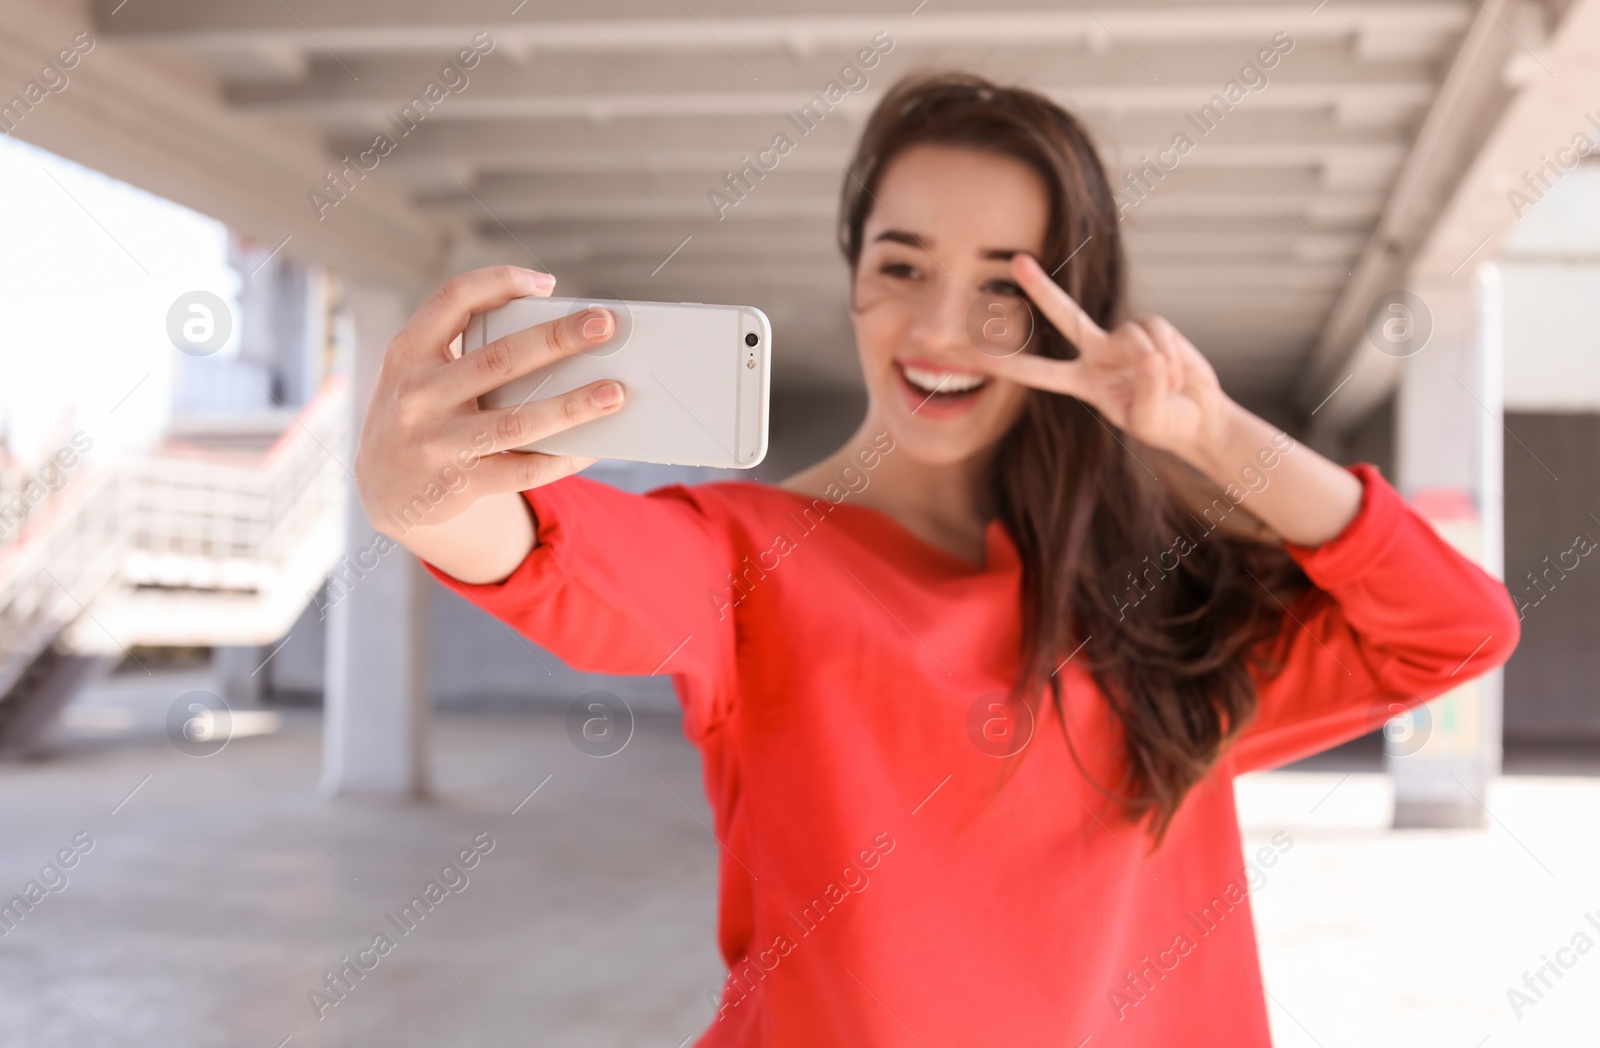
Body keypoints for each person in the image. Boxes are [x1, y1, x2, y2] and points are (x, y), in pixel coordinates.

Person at [354, 73, 1519, 1047]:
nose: (942, 330)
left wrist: (1208, 431)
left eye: (1005, 288)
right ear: (852, 273)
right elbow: (563, 560)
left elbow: (1456, 625)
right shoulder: (748, 556)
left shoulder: (1156, 611)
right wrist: (423, 495)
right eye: (901, 266)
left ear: (1077, 308)